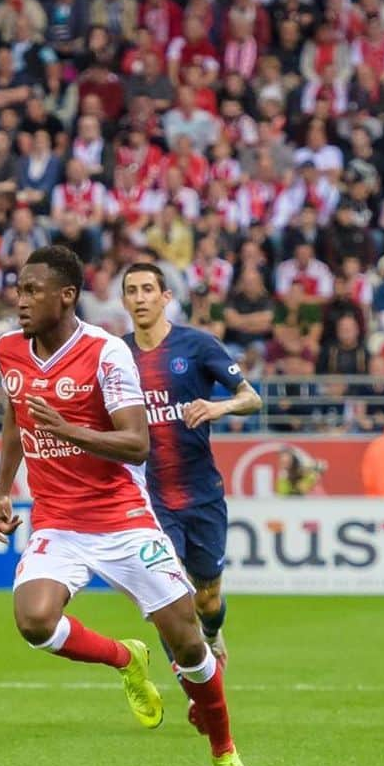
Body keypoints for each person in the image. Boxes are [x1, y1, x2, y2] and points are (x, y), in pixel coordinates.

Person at [0, 245, 257, 766]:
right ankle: (124, 657)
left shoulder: (106, 353)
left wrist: (67, 430)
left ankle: (225, 755)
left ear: (66, 296)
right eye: (18, 289)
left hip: (124, 519)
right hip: (57, 523)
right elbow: (16, 419)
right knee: (34, 622)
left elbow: (136, 444)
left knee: (188, 642)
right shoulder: (8, 350)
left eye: (32, 291)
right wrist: (1, 493)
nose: (20, 301)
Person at [121, 261, 262, 710]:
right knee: (169, 595)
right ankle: (194, 688)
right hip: (148, 499)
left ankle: (213, 632)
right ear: (124, 301)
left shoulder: (196, 345)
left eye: (148, 289)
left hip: (201, 495)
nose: (140, 298)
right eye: (131, 291)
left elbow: (251, 398)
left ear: (165, 298)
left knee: (207, 595)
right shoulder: (115, 355)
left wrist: (217, 408)